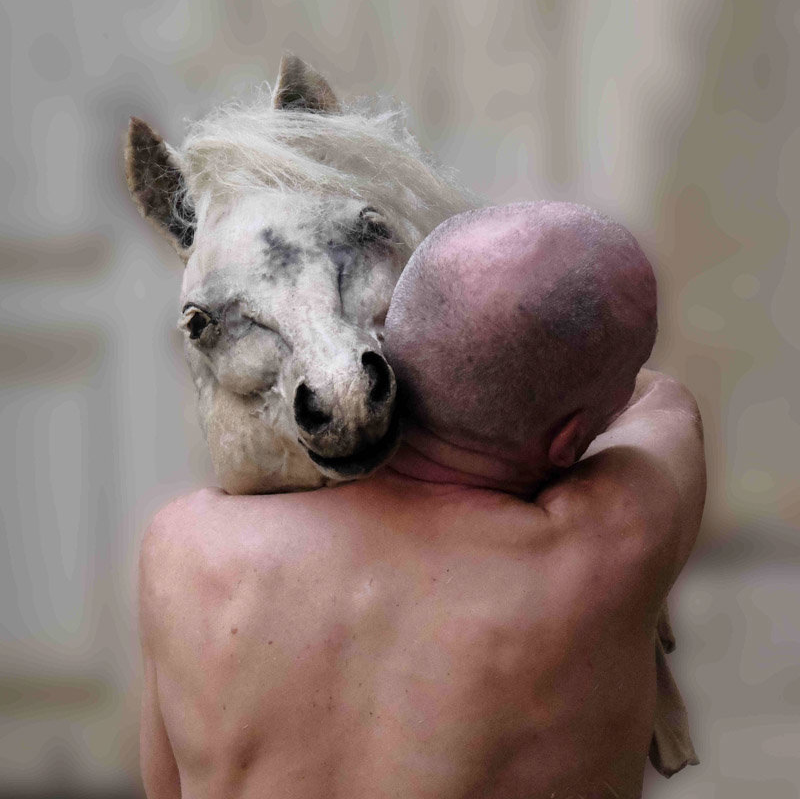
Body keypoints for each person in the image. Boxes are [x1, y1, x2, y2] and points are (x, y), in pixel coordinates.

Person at [139, 202, 706, 798]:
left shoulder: (182, 548)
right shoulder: (608, 543)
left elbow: (163, 788)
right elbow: (664, 402)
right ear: (570, 441)